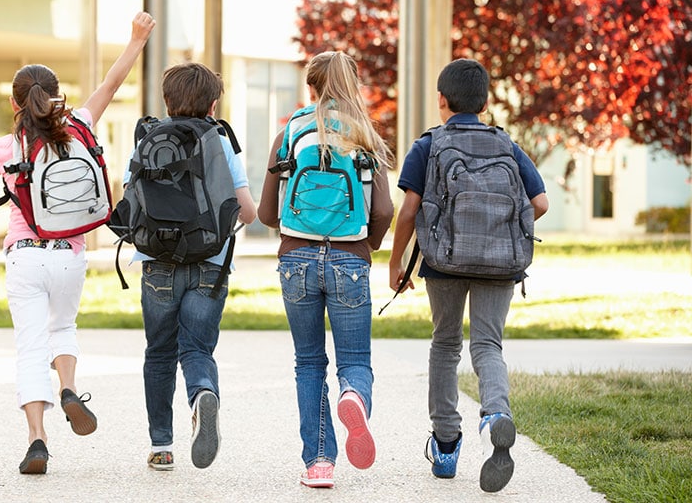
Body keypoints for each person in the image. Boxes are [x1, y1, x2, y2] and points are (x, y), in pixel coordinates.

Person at [0, 11, 155, 475]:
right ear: (55, 97)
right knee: (64, 328)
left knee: (30, 347)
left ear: (16, 104)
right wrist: (135, 39)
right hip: (71, 253)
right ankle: (69, 387)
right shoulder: (82, 124)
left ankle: (37, 439)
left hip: (25, 256)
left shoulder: (6, 146)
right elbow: (112, 84)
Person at [387, 58, 549, 493]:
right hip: (500, 263)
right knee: (487, 344)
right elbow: (541, 202)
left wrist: (396, 262)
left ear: (441, 100)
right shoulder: (507, 146)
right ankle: (495, 415)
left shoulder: (428, 145)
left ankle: (445, 445)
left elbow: (408, 210)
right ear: (485, 102)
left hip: (443, 261)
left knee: (445, 344)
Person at [257, 51, 394, 488]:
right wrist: (365, 245)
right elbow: (385, 209)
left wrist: (294, 229)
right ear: (352, 86)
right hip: (350, 259)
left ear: (310, 87)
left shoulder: (291, 132)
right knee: (354, 359)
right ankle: (353, 396)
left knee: (309, 361)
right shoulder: (363, 134)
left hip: (296, 258)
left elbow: (264, 212)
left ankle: (319, 463)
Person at [127, 62, 257, 472]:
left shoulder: (148, 138)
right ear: (213, 104)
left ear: (166, 100)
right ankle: (202, 393)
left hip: (157, 264)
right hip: (210, 263)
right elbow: (249, 212)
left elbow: (130, 201)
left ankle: (161, 446)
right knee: (196, 348)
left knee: (159, 352)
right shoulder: (219, 141)